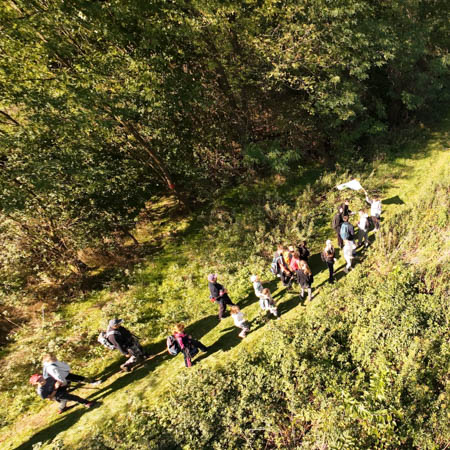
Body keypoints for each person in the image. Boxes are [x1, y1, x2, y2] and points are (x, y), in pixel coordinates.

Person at [29, 373, 95, 414]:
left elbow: (58, 380)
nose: (40, 380)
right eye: (38, 380)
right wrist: (55, 388)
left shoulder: (49, 378)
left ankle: (62, 408)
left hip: (59, 388)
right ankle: (86, 403)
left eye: (40, 378)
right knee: (70, 397)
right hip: (55, 395)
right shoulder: (41, 391)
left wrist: (60, 383)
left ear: (42, 376)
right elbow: (50, 398)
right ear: (35, 383)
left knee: (67, 381)